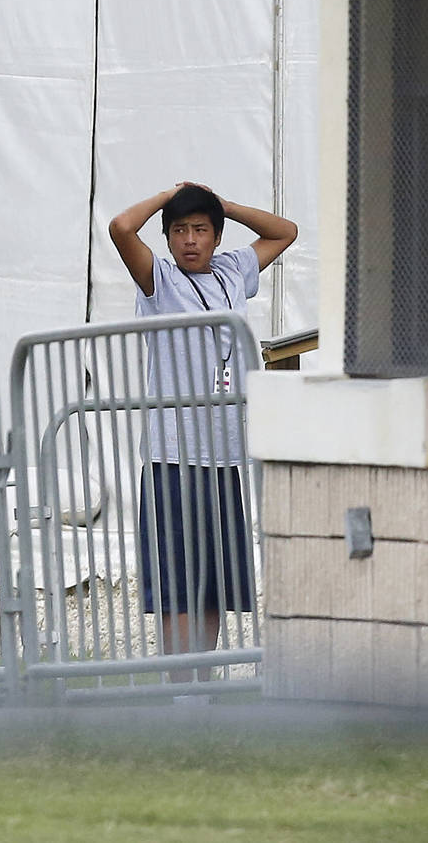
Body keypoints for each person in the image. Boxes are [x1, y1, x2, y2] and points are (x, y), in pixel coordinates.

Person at [107, 181, 298, 681]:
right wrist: (173, 193)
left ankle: (204, 679)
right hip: (173, 450)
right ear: (167, 238)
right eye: (179, 230)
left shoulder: (234, 269)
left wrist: (226, 205)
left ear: (216, 236)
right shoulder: (160, 280)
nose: (190, 240)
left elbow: (286, 232)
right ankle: (179, 685)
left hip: (224, 453)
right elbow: (121, 228)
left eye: (200, 229)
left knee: (214, 579)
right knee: (177, 578)